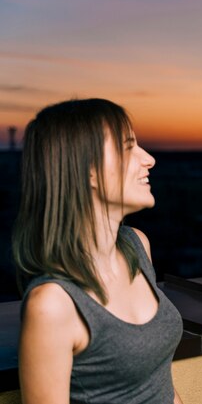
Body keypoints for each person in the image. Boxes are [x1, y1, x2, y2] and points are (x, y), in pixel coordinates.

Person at [13, 98, 184, 404]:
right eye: (128, 146)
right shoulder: (52, 304)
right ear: (88, 170)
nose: (149, 159)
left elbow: (160, 386)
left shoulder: (137, 247)